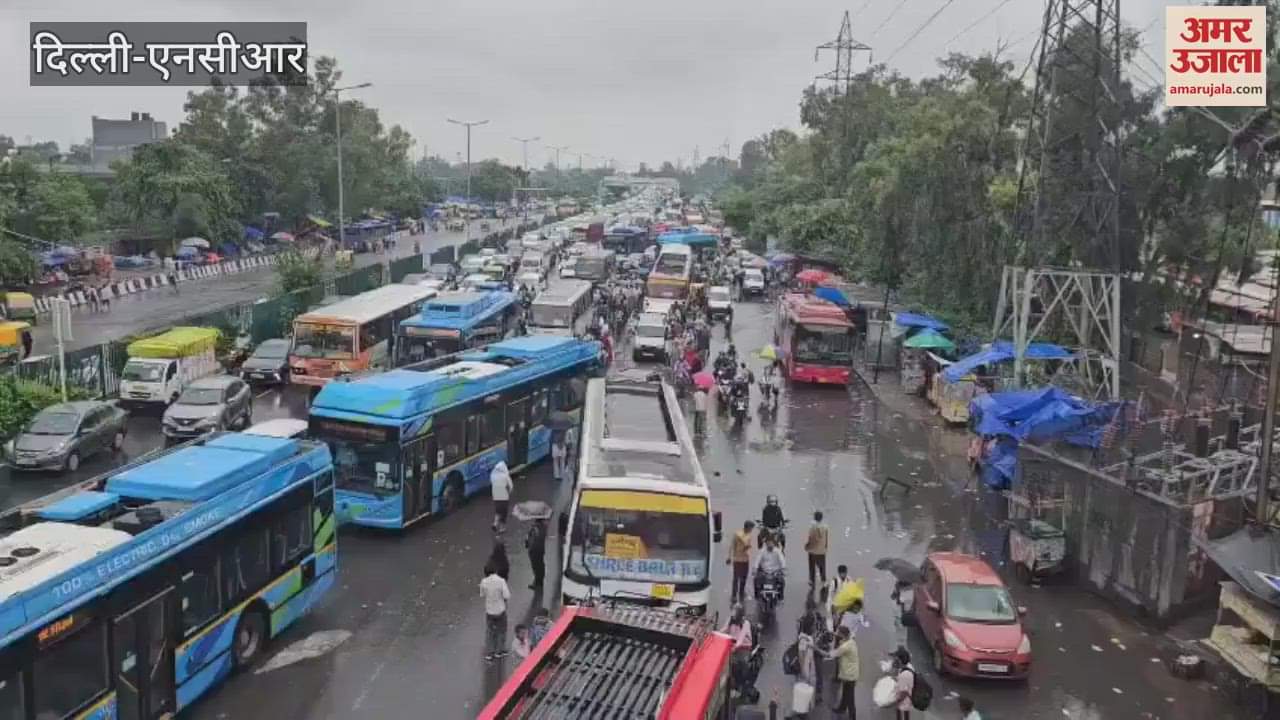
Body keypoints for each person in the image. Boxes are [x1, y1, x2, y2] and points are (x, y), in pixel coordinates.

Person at [826, 625, 859, 720]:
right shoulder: (850, 641)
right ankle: (842, 708)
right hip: (849, 673)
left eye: (838, 633)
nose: (837, 635)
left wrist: (815, 648)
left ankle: (853, 717)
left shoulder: (845, 646)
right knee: (845, 693)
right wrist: (832, 633)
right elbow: (840, 635)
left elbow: (830, 655)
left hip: (849, 675)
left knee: (850, 698)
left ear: (843, 635)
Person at [480, 563, 511, 662]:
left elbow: (482, 594)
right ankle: (499, 651)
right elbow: (507, 595)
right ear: (495, 571)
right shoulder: (501, 581)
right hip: (500, 611)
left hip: (489, 611)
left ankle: (489, 653)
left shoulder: (484, 582)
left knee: (490, 631)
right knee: (501, 631)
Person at [727, 520, 755, 604]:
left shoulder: (749, 535)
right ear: (747, 527)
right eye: (751, 528)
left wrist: (748, 549)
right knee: (736, 578)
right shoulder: (737, 534)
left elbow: (749, 548)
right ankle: (734, 595)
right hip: (738, 559)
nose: (751, 530)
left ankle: (741, 592)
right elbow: (732, 546)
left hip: (745, 560)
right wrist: (729, 557)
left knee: (744, 577)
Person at [752, 536, 786, 600]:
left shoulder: (778, 551)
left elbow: (782, 560)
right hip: (764, 571)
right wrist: (755, 569)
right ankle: (757, 596)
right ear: (766, 544)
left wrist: (783, 569)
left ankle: (781, 596)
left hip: (775, 571)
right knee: (756, 580)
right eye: (768, 543)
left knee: (782, 581)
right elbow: (757, 560)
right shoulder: (762, 551)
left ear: (774, 544)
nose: (770, 545)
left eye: (771, 543)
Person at [890, 646, 915, 720]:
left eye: (897, 659)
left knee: (899, 711)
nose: (895, 660)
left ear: (900, 660)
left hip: (904, 699)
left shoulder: (904, 674)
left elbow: (904, 692)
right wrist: (896, 679)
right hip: (909, 697)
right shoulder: (909, 667)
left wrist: (897, 701)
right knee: (906, 713)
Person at [804, 511, 829, 587]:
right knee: (822, 566)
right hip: (822, 551)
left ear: (814, 517)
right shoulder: (825, 527)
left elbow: (811, 538)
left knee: (812, 566)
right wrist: (825, 547)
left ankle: (812, 580)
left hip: (813, 550)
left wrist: (807, 546)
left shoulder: (812, 527)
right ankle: (823, 579)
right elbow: (826, 539)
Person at [525, 516, 547, 590]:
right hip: (541, 549)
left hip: (533, 550)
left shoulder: (534, 528)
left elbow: (528, 539)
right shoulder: (544, 527)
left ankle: (537, 583)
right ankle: (540, 582)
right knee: (540, 565)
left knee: (535, 566)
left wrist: (527, 543)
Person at [490, 461, 513, 532]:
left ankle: (495, 523)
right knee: (504, 512)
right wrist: (509, 493)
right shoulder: (505, 475)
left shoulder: (493, 474)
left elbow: (491, 482)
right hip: (504, 496)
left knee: (498, 510)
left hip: (495, 496)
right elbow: (511, 486)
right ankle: (502, 527)